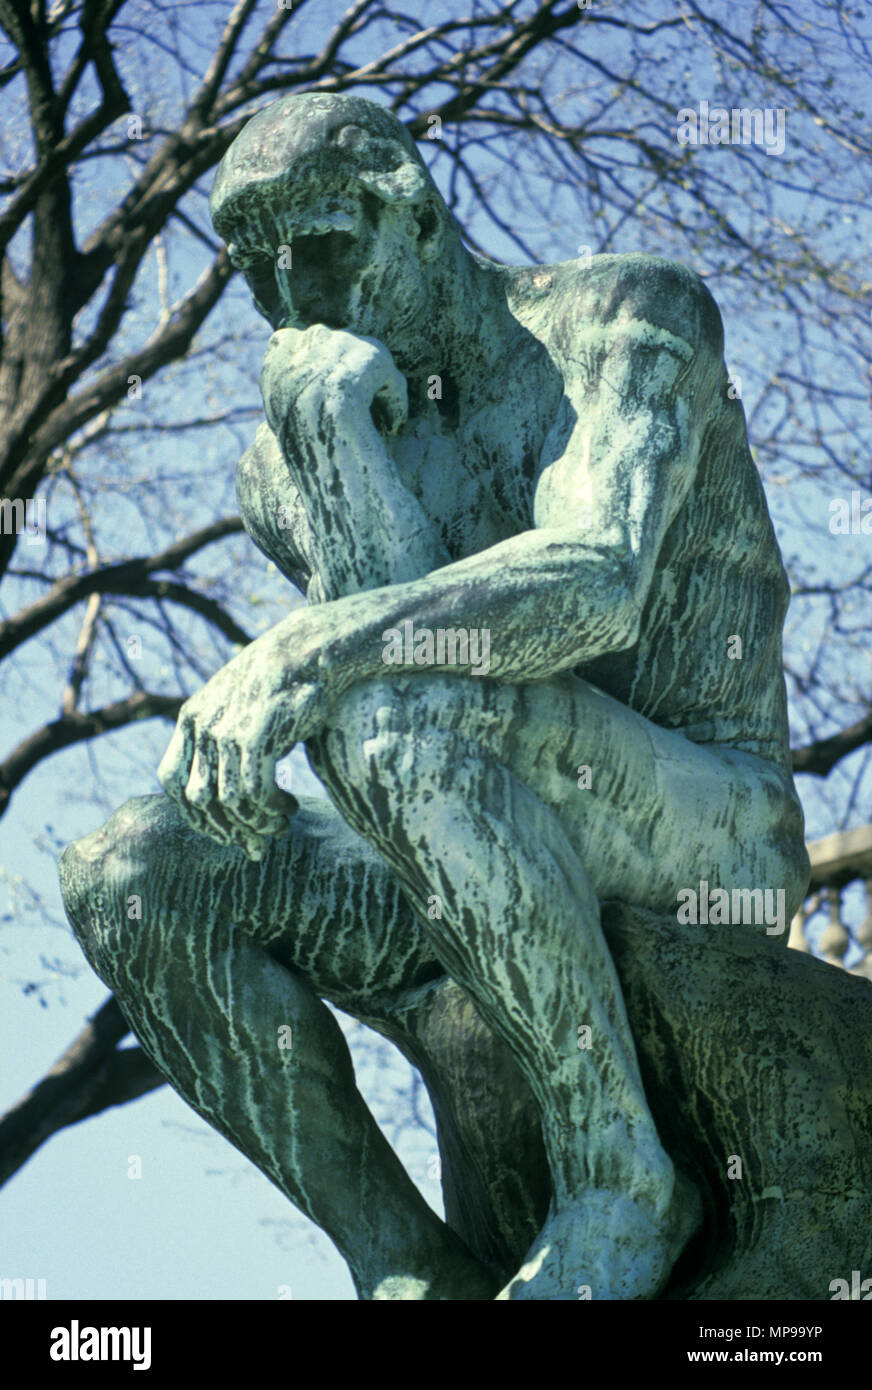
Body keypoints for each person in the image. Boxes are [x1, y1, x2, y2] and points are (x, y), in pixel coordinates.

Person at [60, 93, 809, 1300]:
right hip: (461, 822)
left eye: (322, 245)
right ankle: (408, 1267)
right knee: (131, 870)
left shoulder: (623, 317)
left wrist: (307, 648)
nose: (293, 296)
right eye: (255, 274)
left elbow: (599, 578)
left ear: (413, 207)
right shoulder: (293, 452)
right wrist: (332, 445)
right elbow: (387, 730)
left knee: (383, 698)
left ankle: (620, 1173)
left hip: (702, 817)